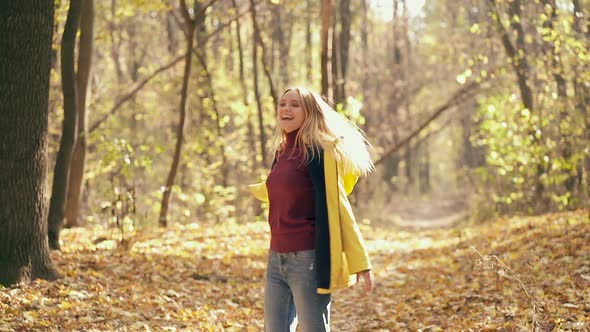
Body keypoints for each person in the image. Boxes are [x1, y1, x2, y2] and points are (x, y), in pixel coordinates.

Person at [249, 86, 374, 332]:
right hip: (277, 258)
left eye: (295, 104)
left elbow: (339, 207)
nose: (286, 108)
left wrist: (362, 263)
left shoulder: (319, 155)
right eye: (283, 103)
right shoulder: (281, 153)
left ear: (310, 113)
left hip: (307, 259)